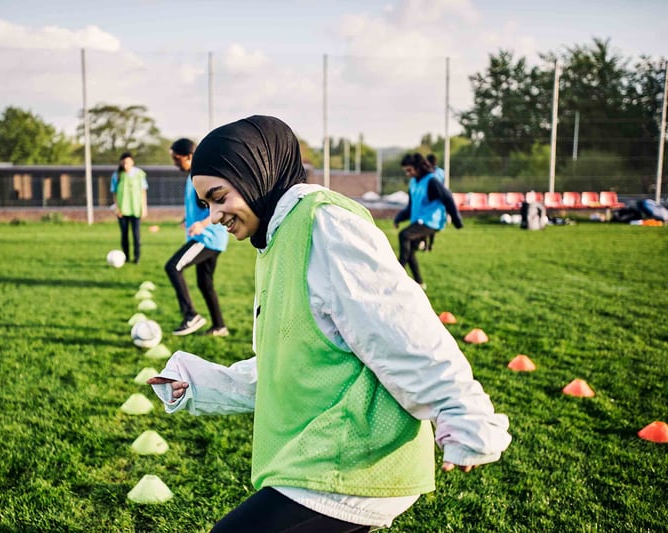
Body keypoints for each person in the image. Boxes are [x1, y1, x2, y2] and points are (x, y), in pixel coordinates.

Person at [148, 116, 511, 533]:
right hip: (324, 456)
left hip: (354, 458)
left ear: (255, 174)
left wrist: (463, 413)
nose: (214, 216)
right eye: (206, 205)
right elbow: (293, 363)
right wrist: (201, 383)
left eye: (219, 197)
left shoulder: (325, 225)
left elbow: (401, 327)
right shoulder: (276, 240)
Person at [165, 138, 230, 337]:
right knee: (205, 284)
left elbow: (219, 205)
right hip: (208, 238)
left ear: (189, 156)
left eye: (177, 158)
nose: (175, 163)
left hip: (207, 238)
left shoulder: (202, 176)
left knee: (173, 267)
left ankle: (190, 315)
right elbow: (201, 206)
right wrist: (189, 219)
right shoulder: (192, 177)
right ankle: (219, 326)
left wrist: (201, 224)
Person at [394, 153, 462, 290]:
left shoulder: (431, 181)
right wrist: (399, 217)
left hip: (432, 221)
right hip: (419, 221)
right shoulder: (413, 183)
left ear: (418, 167)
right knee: (410, 251)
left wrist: (456, 219)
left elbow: (447, 197)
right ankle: (419, 283)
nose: (408, 174)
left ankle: (397, 274)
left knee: (404, 235)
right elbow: (411, 207)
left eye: (409, 170)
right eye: (406, 171)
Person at [110, 151, 148, 264]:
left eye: (127, 162)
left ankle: (137, 257)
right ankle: (125, 257)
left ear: (132, 162)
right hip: (122, 210)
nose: (125, 165)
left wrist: (144, 208)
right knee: (124, 235)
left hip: (135, 209)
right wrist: (117, 208)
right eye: (123, 163)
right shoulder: (117, 175)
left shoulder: (139, 174)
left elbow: (143, 192)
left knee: (136, 235)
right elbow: (114, 193)